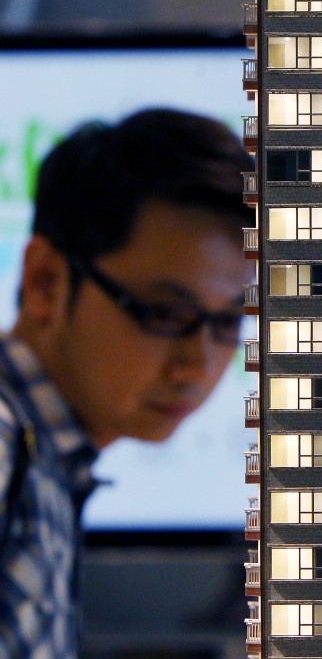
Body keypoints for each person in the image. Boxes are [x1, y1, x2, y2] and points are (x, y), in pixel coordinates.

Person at [0, 108, 254, 657]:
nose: (198, 363)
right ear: (45, 281)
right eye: (164, 313)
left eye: (229, 321)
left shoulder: (44, 460)